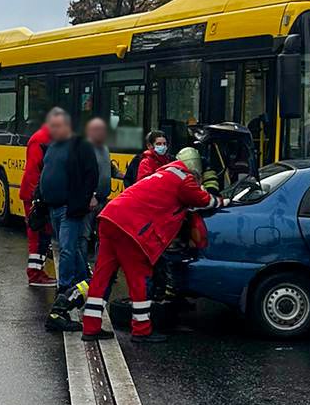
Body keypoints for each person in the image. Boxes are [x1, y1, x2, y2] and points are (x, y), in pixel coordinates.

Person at [80, 145, 225, 345]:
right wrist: (221, 201)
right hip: (130, 228)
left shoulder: (164, 173)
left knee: (102, 276)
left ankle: (90, 326)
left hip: (109, 218)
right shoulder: (184, 180)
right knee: (140, 277)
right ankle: (141, 330)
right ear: (195, 170)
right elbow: (203, 200)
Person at [36, 108, 99, 332]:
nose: (54, 129)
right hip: (54, 206)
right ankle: (85, 281)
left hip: (69, 207)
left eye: (59, 125)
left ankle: (64, 289)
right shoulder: (53, 147)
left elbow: (91, 174)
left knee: (67, 248)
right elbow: (46, 171)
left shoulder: (80, 145)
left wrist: (83, 200)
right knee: (69, 248)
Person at [20, 112, 55, 286]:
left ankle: (38, 271)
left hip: (40, 195)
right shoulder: (40, 140)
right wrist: (39, 198)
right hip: (35, 196)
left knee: (44, 234)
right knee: (37, 234)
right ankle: (35, 274)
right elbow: (34, 171)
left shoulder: (48, 139)